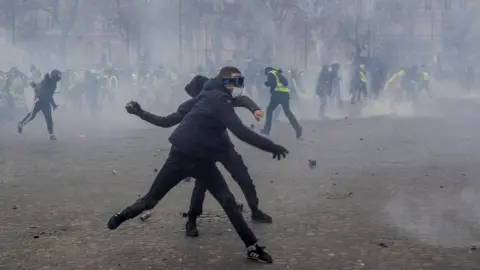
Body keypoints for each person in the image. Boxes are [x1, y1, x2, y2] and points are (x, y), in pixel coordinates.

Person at [107, 67, 289, 263]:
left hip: (204, 158)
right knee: (150, 201)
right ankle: (123, 215)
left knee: (227, 199)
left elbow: (242, 100)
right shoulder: (214, 99)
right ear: (225, 82)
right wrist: (271, 146)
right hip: (181, 156)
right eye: (237, 82)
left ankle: (252, 247)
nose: (240, 86)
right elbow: (240, 131)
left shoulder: (215, 96)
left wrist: (255, 109)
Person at [125, 74, 273, 238]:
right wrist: (140, 113)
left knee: (243, 177)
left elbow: (243, 99)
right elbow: (166, 121)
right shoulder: (192, 104)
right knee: (202, 186)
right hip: (205, 150)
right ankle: (192, 220)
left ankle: (254, 210)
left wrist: (255, 109)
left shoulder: (220, 98)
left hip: (224, 148)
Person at [17, 70, 61, 140]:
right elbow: (41, 87)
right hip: (39, 101)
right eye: (58, 75)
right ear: (55, 76)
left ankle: (51, 135)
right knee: (32, 116)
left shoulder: (54, 84)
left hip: (46, 103)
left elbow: (49, 96)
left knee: (49, 118)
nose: (59, 77)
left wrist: (54, 105)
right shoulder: (47, 81)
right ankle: (21, 124)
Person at [260, 67, 302, 139]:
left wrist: (267, 84)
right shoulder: (278, 73)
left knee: (269, 110)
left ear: (267, 71)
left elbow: (273, 84)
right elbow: (285, 83)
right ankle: (298, 128)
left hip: (277, 94)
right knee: (287, 112)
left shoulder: (270, 74)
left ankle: (266, 130)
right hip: (285, 94)